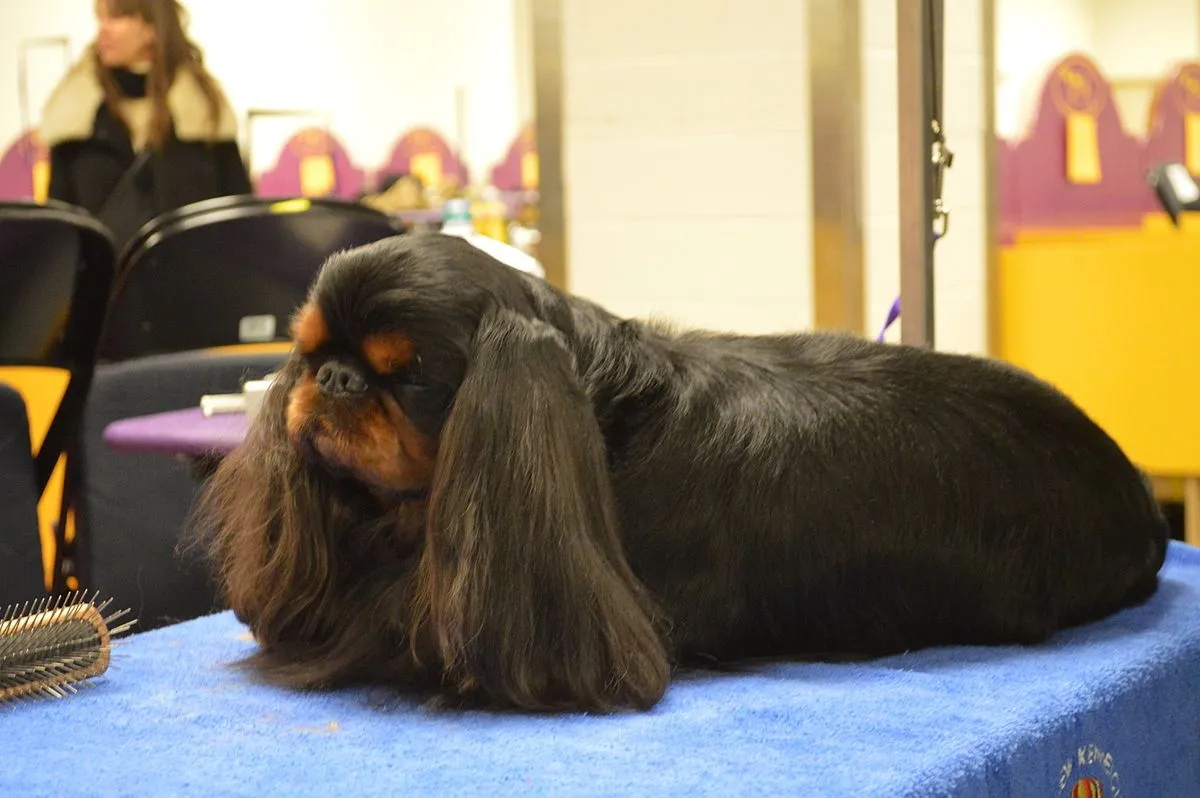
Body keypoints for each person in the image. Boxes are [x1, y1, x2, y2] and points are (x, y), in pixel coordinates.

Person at [40, 0, 251, 245]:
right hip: (106, 281)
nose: (102, 29)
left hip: (192, 279)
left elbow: (240, 227)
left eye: (117, 17)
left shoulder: (205, 114)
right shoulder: (76, 117)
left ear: (152, 26)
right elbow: (58, 238)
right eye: (100, 18)